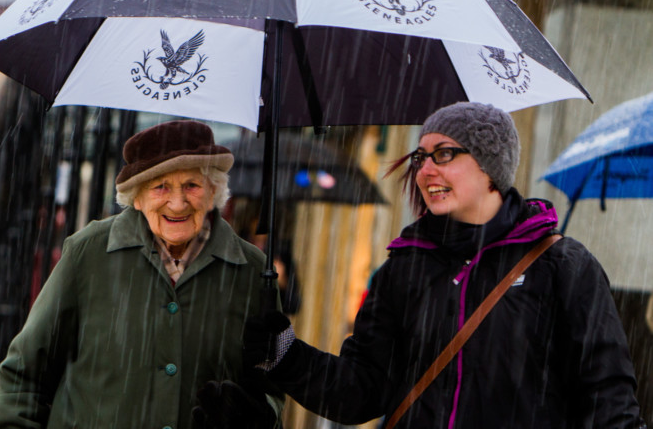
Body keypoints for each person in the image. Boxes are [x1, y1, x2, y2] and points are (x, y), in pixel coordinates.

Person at [234, 102, 647, 428]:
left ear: (490, 167)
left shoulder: (561, 265)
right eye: (421, 156)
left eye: (445, 154)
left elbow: (608, 396)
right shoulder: (404, 269)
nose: (425, 169)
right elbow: (362, 391)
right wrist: (285, 355)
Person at [0, 120, 283, 428]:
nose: (177, 202)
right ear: (137, 197)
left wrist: (260, 416)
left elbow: (274, 387)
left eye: (192, 186)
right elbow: (23, 372)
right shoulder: (88, 254)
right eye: (161, 187)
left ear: (213, 192)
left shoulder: (252, 272)